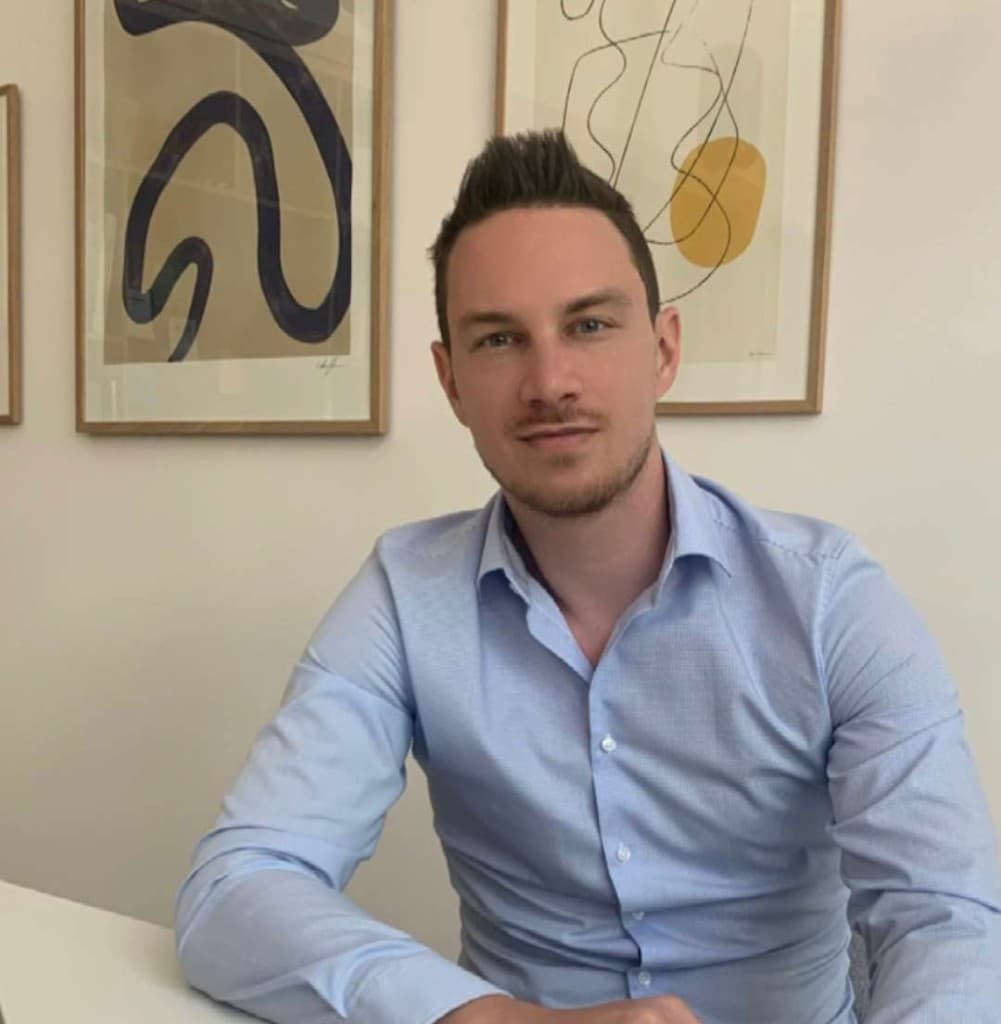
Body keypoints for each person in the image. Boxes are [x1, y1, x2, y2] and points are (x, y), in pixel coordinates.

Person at [175, 131, 1001, 1024]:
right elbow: (237, 887)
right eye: (499, 339)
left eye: (589, 325)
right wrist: (493, 1020)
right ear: (450, 382)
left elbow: (946, 916)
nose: (549, 381)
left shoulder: (829, 599)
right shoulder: (404, 597)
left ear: (663, 350)